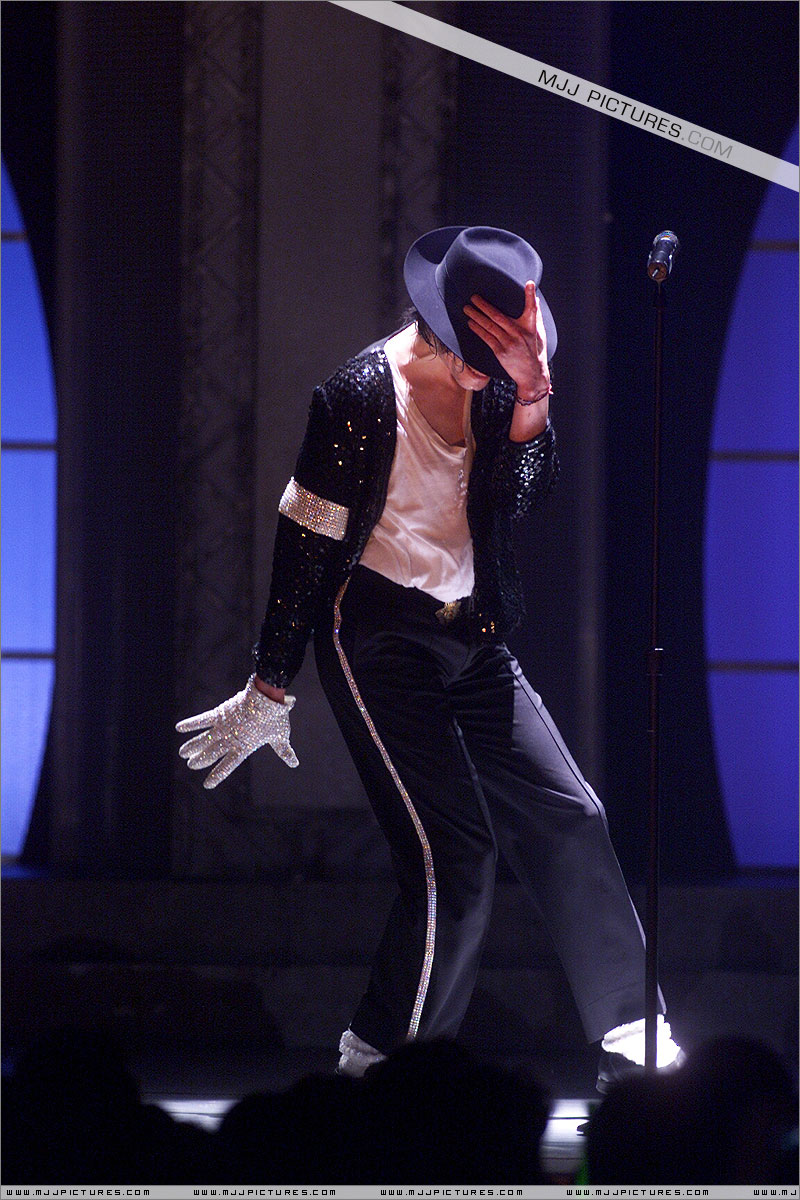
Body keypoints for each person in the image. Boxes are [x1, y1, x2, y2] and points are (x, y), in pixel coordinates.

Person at [177, 226, 682, 1091]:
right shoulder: (356, 398)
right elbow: (304, 547)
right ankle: (386, 1068)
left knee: (571, 815)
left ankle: (632, 1038)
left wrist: (534, 394)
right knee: (457, 858)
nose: (498, 373)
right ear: (444, 334)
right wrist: (270, 682)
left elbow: (522, 495)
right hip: (376, 639)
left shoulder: (505, 383)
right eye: (487, 361)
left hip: (473, 636)